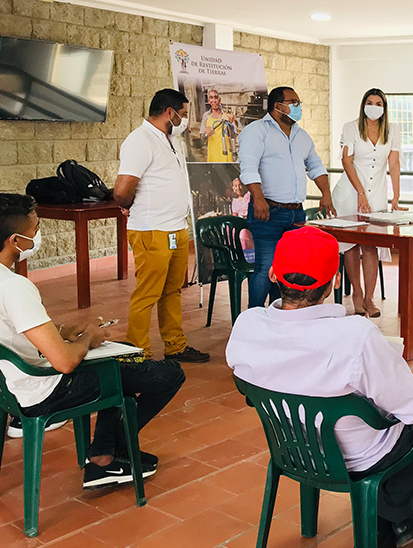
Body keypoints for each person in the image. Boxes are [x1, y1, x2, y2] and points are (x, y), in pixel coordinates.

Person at [226, 227, 413, 548]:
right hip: (362, 458)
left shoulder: (246, 326)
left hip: (294, 449)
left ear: (273, 272)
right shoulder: (356, 336)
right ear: (336, 281)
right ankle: (396, 515)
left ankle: (394, 516)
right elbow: (412, 407)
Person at [0, 193, 184, 488]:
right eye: (34, 231)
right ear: (15, 241)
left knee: (118, 366)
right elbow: (65, 362)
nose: (37, 237)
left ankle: (103, 453)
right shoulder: (14, 287)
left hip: (8, 387)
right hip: (44, 390)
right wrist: (88, 337)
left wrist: (64, 330)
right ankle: (109, 455)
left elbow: (15, 327)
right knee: (168, 374)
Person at [113, 89, 209, 363]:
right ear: (170, 112)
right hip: (151, 230)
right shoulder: (140, 140)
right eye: (184, 114)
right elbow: (122, 191)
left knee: (171, 291)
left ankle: (175, 346)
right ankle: (137, 353)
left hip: (176, 229)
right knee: (147, 293)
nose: (185, 120)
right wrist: (130, 205)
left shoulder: (169, 140)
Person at [238, 86, 334, 309]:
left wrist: (326, 194)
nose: (298, 107)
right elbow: (249, 167)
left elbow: (315, 165)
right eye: (293, 102)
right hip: (268, 211)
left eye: (299, 103)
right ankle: (254, 318)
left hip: (296, 213)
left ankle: (279, 315)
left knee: (286, 270)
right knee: (265, 268)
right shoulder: (257, 131)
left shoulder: (302, 136)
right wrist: (258, 198)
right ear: (277, 105)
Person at [332, 88, 405, 317]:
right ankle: (356, 293)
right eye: (370, 102)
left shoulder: (392, 130)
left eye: (379, 103)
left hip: (376, 197)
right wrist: (360, 192)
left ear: (384, 108)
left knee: (371, 245)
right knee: (352, 245)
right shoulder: (351, 128)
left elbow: (393, 164)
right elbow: (347, 161)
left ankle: (369, 299)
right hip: (350, 193)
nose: (374, 106)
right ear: (363, 104)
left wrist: (396, 195)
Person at [200, 89, 236, 162]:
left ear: (219, 100)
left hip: (226, 152)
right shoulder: (206, 116)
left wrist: (232, 123)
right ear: (208, 101)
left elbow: (234, 135)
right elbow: (202, 138)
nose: (214, 100)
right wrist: (205, 134)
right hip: (213, 154)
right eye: (211, 97)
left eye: (216, 97)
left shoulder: (226, 114)